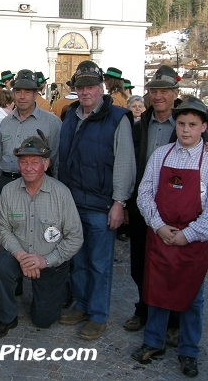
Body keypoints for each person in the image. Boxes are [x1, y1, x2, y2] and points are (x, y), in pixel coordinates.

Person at [125, 65, 208, 339]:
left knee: (189, 288)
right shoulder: (149, 137)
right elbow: (139, 180)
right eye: (154, 91)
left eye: (192, 125)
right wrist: (155, 222)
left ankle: (183, 338)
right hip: (154, 222)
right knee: (149, 277)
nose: (185, 130)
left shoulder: (202, 146)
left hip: (190, 233)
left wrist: (189, 234)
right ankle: (149, 326)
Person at [57, 60, 135, 340]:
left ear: (101, 87)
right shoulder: (70, 116)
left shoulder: (118, 118)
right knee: (77, 259)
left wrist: (119, 203)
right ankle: (81, 304)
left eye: (90, 86)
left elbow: (125, 163)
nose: (85, 91)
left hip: (101, 206)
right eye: (80, 87)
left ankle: (98, 315)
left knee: (100, 264)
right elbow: (60, 159)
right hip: (72, 203)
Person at [0, 134, 83, 338]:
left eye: (34, 162)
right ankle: (7, 317)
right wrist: (21, 256)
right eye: (23, 162)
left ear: (46, 164)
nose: (28, 167)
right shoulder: (8, 191)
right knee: (1, 264)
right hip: (19, 256)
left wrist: (44, 260)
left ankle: (62, 288)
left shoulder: (61, 194)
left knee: (43, 321)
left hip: (51, 261)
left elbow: (75, 238)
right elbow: (3, 229)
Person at [0, 69, 62, 207]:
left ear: (36, 94)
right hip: (6, 184)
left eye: (27, 92)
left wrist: (55, 192)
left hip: (37, 186)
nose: (22, 96)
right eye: (18, 92)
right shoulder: (6, 123)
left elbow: (56, 161)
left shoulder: (51, 123)